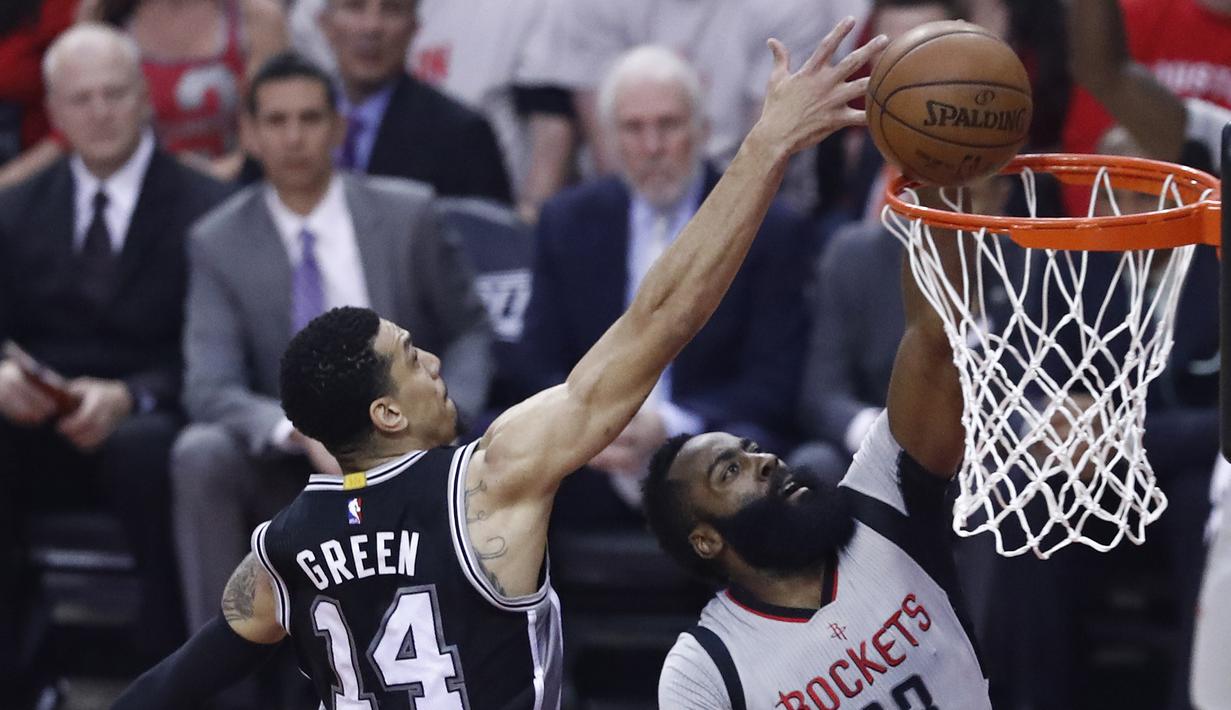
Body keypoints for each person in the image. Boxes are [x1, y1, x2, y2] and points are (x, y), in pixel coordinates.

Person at [112, 18, 888, 709]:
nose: (435, 363)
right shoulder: (489, 479)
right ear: (385, 412)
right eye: (411, 358)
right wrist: (765, 146)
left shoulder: (280, 549)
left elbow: (176, 679)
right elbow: (659, 318)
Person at [170, 51, 493, 643]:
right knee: (200, 452)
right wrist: (302, 432)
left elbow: (470, 328)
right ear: (248, 133)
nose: (294, 137)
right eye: (276, 121)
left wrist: (441, 417)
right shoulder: (216, 241)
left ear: (338, 127)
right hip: (286, 460)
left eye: (311, 118)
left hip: (409, 446)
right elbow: (208, 387)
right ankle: (222, 674)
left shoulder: (409, 213)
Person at [644, 184, 992, 708]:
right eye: (729, 472)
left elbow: (934, 339)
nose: (762, 461)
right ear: (705, 540)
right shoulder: (703, 669)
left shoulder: (878, 499)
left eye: (750, 449)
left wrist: (939, 180)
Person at [0, 22, 227, 707]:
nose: (98, 112)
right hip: (38, 422)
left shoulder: (207, 210)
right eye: (81, 99)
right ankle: (20, 680)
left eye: (113, 94)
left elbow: (213, 347)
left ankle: (166, 679)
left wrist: (132, 395)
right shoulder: (15, 210)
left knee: (146, 453)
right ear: (56, 111)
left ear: (144, 99)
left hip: (153, 419)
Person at [517, 45, 812, 529]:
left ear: (702, 130)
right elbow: (538, 362)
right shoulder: (565, 221)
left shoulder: (767, 227)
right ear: (610, 140)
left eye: (669, 125)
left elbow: (775, 384)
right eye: (634, 128)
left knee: (759, 461)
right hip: (591, 451)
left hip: (711, 445)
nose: (652, 146)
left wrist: (670, 425)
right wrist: (594, 427)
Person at [315, 0, 513, 203]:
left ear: (414, 27)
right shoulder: (292, 120)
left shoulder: (461, 135)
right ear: (324, 23)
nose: (372, 27)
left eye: (392, 9)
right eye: (355, 7)